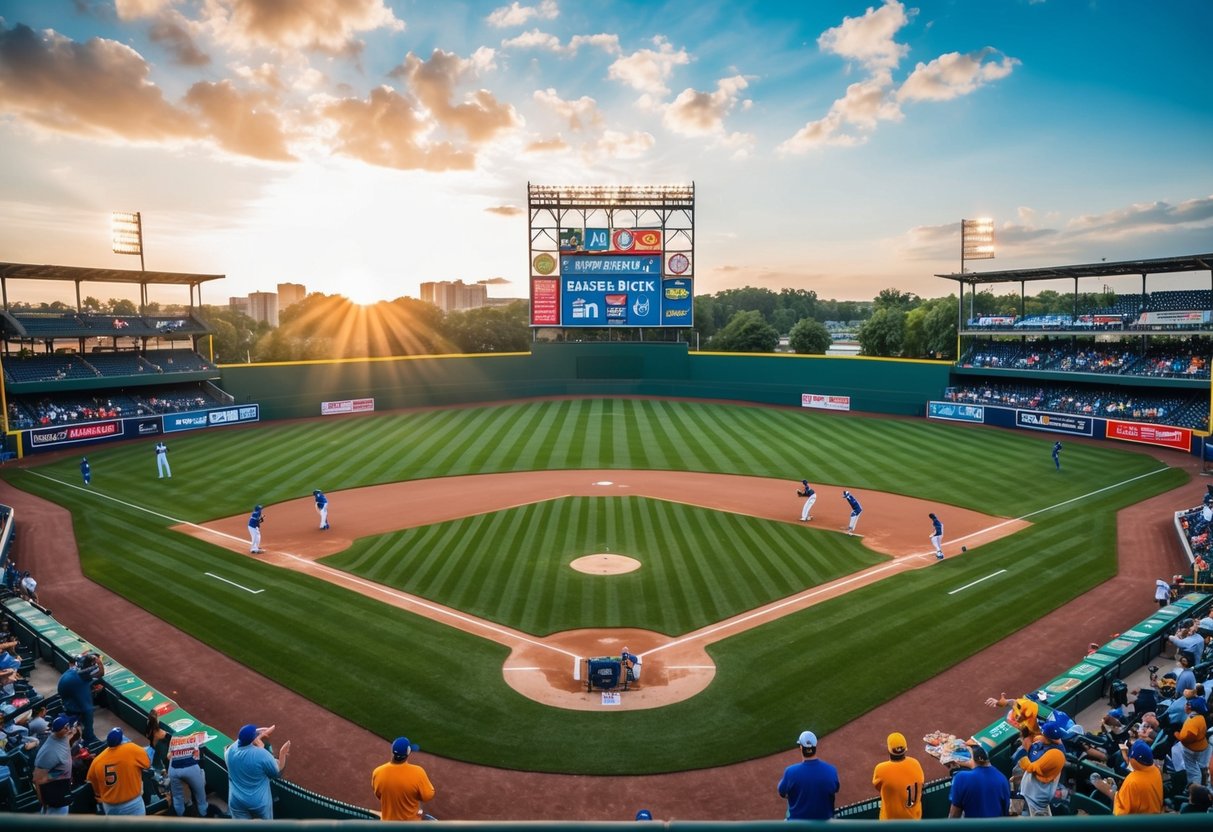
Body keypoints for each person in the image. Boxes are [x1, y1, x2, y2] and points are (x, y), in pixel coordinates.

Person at [225, 723, 290, 819]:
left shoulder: (229, 751)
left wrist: (259, 732)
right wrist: (282, 753)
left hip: (236, 801)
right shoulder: (261, 754)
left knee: (240, 829)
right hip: (258, 802)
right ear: (253, 739)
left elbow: (243, 739)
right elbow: (277, 771)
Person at [86, 727, 150, 815]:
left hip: (111, 807)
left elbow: (91, 781)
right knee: (139, 828)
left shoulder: (97, 760)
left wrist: (100, 795)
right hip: (132, 803)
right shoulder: (131, 748)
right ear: (121, 740)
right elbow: (147, 764)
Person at [1089, 739, 1163, 815]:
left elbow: (1120, 814)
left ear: (1135, 761)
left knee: (1101, 785)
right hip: (1153, 815)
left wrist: (1110, 790)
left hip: (1138, 822)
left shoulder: (1132, 781)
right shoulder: (1155, 770)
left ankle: (1106, 787)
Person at [777, 730, 839, 821]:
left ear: (801, 748)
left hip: (798, 826)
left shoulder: (790, 772)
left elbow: (782, 792)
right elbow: (835, 789)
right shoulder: (831, 770)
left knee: (790, 796)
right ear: (815, 747)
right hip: (825, 825)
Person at [371, 736, 436, 821]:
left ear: (392, 752)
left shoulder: (378, 772)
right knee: (432, 821)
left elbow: (378, 794)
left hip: (387, 824)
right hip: (410, 826)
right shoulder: (418, 772)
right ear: (408, 752)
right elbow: (428, 796)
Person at [1014, 719, 1067, 816]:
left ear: (1047, 737)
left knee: (1040, 824)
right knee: (1015, 810)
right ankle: (1013, 816)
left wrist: (1026, 748)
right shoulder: (1047, 742)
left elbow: (1030, 766)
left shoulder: (1056, 754)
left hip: (1037, 796)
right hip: (1028, 789)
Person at [947, 739, 1010, 818]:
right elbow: (1005, 812)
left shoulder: (961, 777)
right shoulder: (1003, 779)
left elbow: (954, 816)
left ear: (972, 758)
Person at [32, 715, 79, 815]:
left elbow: (68, 736)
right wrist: (60, 773)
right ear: (59, 730)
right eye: (66, 727)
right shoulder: (49, 752)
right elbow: (38, 779)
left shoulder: (63, 736)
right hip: (55, 794)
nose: (69, 728)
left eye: (69, 726)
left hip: (63, 786)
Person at [871, 731, 924, 820]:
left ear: (889, 749)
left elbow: (878, 786)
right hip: (915, 821)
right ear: (906, 749)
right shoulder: (915, 763)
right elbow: (921, 783)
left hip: (891, 824)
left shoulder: (881, 769)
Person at [57, 652, 105, 745]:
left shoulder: (77, 667)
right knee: (88, 711)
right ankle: (89, 738)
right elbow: (100, 673)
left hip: (66, 692)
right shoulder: (82, 678)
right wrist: (99, 662)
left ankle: (75, 720)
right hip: (74, 691)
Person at [166, 722, 211, 817]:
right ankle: (205, 819)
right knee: (201, 797)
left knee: (178, 799)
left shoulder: (173, 738)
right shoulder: (193, 738)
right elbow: (196, 757)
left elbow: (169, 756)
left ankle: (180, 822)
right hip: (190, 769)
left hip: (174, 770)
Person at [1173, 695, 1210, 788]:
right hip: (1200, 746)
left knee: (1193, 770)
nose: (1185, 706)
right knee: (1199, 767)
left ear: (1190, 707)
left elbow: (1187, 739)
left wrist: (1177, 734)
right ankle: (1202, 784)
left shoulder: (1193, 721)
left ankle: (1195, 788)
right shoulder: (1200, 717)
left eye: (1186, 704)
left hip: (1192, 748)